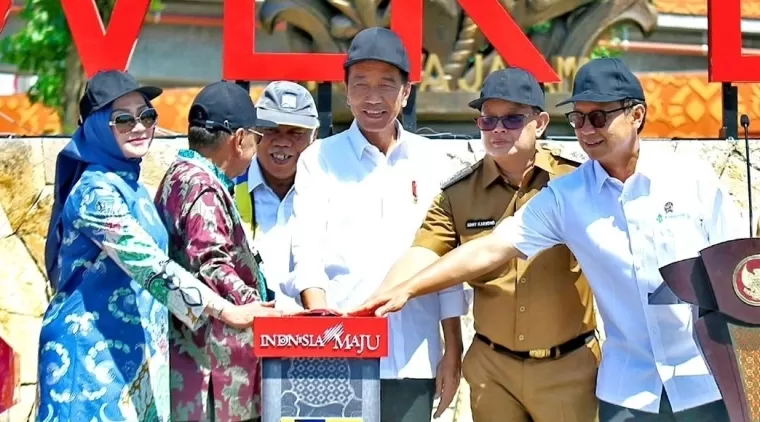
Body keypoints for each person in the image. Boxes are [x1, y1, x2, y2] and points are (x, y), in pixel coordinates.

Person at [354, 57, 744, 421]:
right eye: (578, 119)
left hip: (705, 378)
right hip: (628, 389)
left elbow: (742, 273)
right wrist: (407, 289)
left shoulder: (691, 180)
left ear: (637, 115)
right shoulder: (567, 196)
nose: (587, 130)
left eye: (598, 117)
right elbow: (491, 247)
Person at [38, 70, 274, 422]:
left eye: (146, 115)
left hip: (134, 358)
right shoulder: (94, 191)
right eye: (123, 119)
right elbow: (148, 265)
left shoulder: (131, 186)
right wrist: (230, 311)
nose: (138, 126)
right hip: (87, 358)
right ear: (96, 126)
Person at [376, 68, 599, 422]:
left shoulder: (574, 184)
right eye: (488, 120)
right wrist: (382, 296)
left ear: (540, 123)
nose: (497, 130)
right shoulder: (459, 194)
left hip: (568, 368)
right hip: (492, 372)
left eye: (512, 119)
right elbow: (422, 251)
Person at [288, 27, 469, 421]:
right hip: (340, 353)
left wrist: (452, 350)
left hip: (415, 354)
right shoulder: (318, 159)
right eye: (361, 85)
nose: (373, 98)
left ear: (406, 92)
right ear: (346, 90)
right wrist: (322, 338)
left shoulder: (432, 161)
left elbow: (445, 263)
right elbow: (306, 254)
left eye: (387, 85)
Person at [153, 81, 283, 422]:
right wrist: (257, 307)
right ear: (239, 139)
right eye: (256, 138)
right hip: (211, 367)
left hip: (196, 357)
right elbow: (211, 262)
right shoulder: (202, 186)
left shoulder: (180, 176)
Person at [235, 81, 319, 310]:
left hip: (316, 333)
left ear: (315, 135)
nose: (283, 142)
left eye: (296, 132)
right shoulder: (228, 188)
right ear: (254, 131)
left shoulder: (331, 192)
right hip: (247, 330)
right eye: (271, 130)